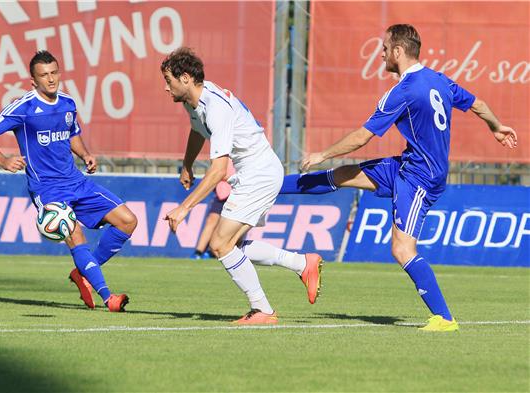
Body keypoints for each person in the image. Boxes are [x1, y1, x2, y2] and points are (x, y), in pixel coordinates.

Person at [280, 24, 518, 332]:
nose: (380, 54)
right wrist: (496, 128)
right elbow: (479, 105)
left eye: (383, 49)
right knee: (342, 176)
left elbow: (362, 137)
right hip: (406, 165)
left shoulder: (404, 91)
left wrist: (322, 153)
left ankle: (444, 319)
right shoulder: (438, 80)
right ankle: (273, 186)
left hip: (421, 176)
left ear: (398, 52)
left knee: (402, 249)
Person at [161, 47, 322, 325]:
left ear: (185, 78)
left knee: (221, 244)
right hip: (256, 173)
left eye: (169, 80)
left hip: (258, 174)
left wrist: (184, 208)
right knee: (230, 244)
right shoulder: (195, 104)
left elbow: (218, 171)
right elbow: (197, 131)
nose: (166, 88)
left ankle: (263, 310)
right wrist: (187, 164)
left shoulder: (216, 109)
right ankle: (302, 264)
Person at [0, 50, 138, 312]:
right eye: (44, 75)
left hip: (77, 181)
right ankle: (109, 298)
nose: (50, 79)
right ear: (33, 80)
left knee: (128, 221)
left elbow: (72, 134)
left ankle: (83, 271)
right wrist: (4, 161)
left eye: (54, 73)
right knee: (75, 233)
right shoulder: (24, 107)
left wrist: (85, 154)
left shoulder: (67, 103)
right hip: (48, 189)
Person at [191, 160, 234, 259]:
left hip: (236, 193)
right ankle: (198, 252)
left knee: (227, 225)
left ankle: (213, 251)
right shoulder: (223, 153)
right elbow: (216, 171)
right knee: (211, 220)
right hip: (222, 192)